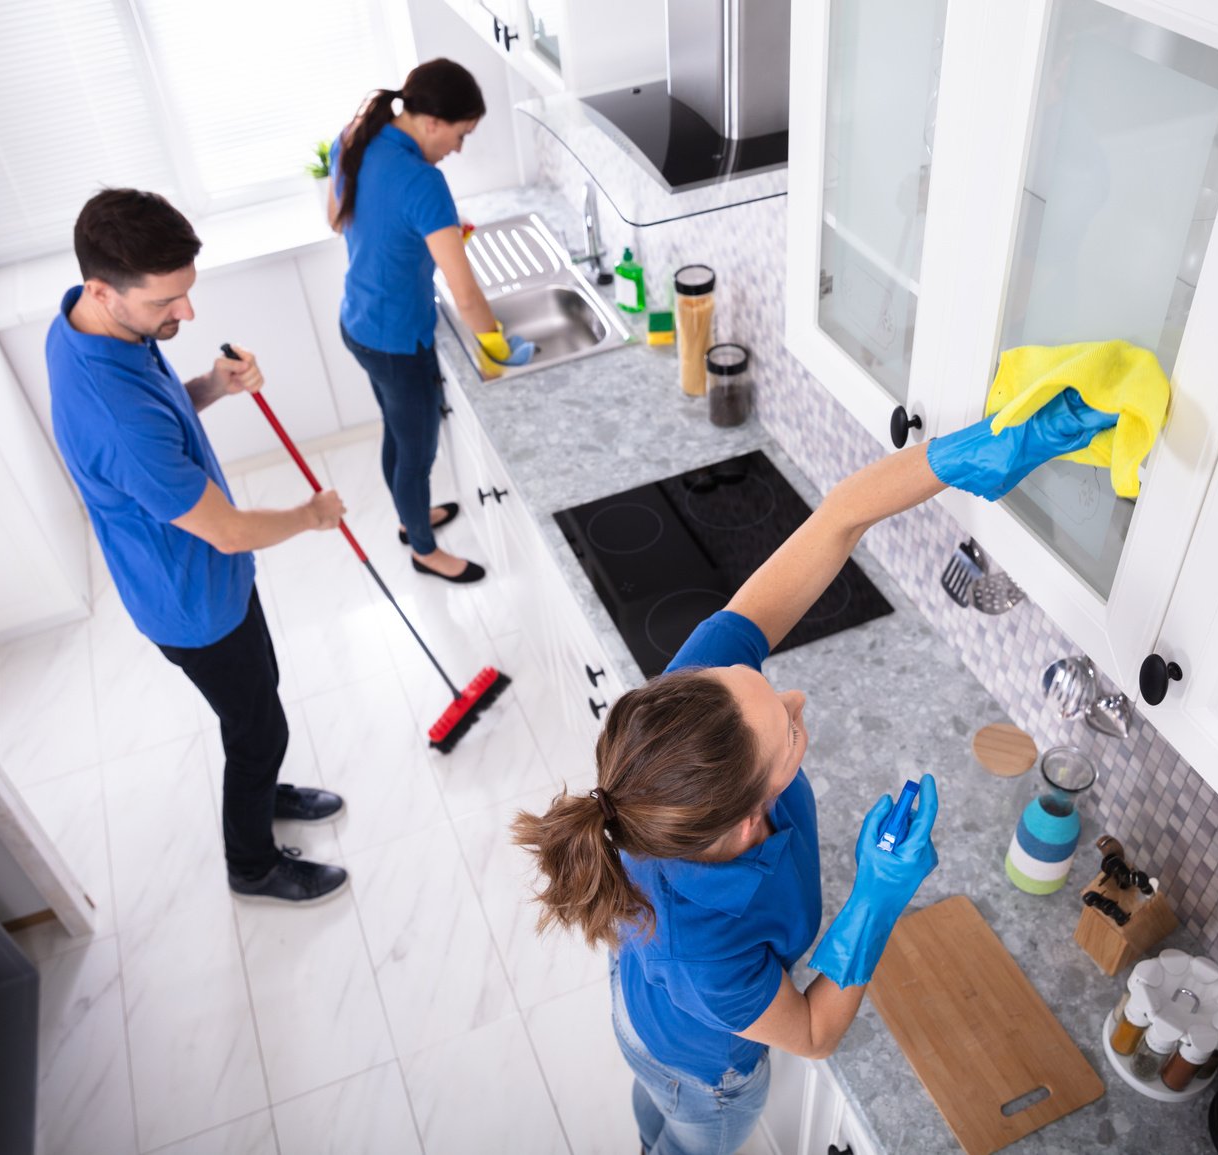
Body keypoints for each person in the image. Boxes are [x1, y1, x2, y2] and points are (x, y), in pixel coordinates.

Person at [512, 393, 1118, 1154]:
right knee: (680, 1129)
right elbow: (809, 1030)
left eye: (758, 682)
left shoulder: (689, 714)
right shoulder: (706, 945)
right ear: (744, 818)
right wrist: (878, 893)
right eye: (789, 729)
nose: (794, 696)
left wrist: (964, 456)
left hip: (646, 999)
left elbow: (838, 519)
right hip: (700, 1069)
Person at [47, 188, 350, 906]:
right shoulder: (114, 415)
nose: (186, 314)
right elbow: (228, 529)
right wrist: (311, 514)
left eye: (186, 294)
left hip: (205, 579)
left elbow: (162, 417)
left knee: (258, 702)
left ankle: (265, 787)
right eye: (167, 303)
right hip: (193, 602)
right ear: (103, 288)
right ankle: (252, 867)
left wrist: (212, 384)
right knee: (257, 729)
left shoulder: (88, 325)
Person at [327, 58, 534, 585]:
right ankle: (423, 549)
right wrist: (497, 345)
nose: (459, 148)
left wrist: (423, 232)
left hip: (358, 321)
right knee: (416, 452)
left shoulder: (355, 138)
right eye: (461, 135)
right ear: (433, 122)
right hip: (398, 339)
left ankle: (406, 516)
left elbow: (337, 219)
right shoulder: (424, 182)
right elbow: (465, 294)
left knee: (397, 434)